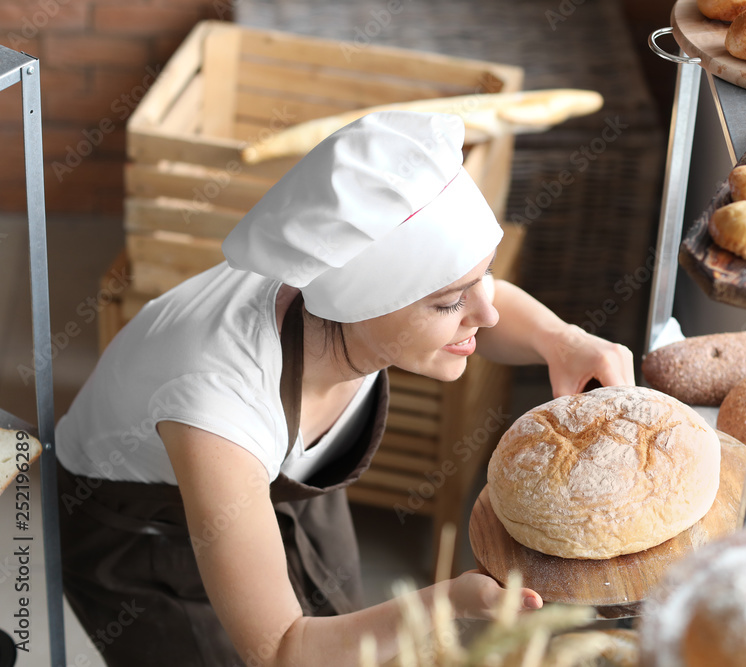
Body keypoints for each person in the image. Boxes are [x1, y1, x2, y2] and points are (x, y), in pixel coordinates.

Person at [55, 111, 635, 666]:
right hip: (149, 531)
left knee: (348, 628)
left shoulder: (342, 317)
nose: (486, 313)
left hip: (271, 479)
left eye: (481, 276)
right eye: (450, 301)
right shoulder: (218, 406)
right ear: (365, 306)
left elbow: (478, 298)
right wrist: (448, 604)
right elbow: (283, 650)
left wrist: (562, 340)